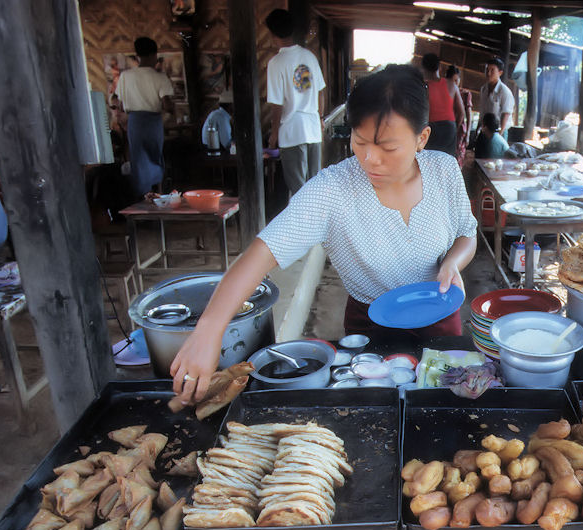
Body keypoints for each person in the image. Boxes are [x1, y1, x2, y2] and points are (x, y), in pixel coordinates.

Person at [169, 65, 477, 403]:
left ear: (422, 138)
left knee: (443, 407)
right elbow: (260, 255)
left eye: (388, 148)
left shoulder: (444, 171)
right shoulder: (334, 189)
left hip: (439, 317)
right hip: (371, 329)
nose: (370, 160)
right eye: (359, 142)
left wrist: (452, 263)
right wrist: (209, 330)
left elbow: (467, 234)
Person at [265, 9, 326, 196]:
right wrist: (320, 117)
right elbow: (320, 92)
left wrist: (274, 132)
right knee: (314, 185)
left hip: (292, 131)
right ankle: (317, 223)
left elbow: (277, 103)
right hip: (313, 129)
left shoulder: (276, 62)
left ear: (273, 35)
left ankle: (306, 224)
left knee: (298, 189)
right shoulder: (309, 56)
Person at [115, 37, 174, 197]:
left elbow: (120, 105)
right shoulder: (159, 77)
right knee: (155, 157)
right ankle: (160, 195)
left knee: (139, 161)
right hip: (153, 121)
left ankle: (142, 197)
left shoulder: (125, 77)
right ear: (155, 55)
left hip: (134, 122)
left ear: (137, 55)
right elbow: (168, 105)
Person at [420, 53, 464, 157]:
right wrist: (454, 128)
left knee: (429, 161)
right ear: (439, 67)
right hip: (449, 127)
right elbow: (461, 113)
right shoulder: (451, 84)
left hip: (431, 129)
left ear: (423, 68)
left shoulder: (422, 87)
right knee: (447, 161)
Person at [479, 57, 515, 138]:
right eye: (487, 70)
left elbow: (506, 114)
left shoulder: (504, 91)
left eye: (492, 70)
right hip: (485, 130)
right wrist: (479, 128)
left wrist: (499, 136)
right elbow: (482, 111)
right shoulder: (483, 89)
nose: (488, 73)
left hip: (499, 131)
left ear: (500, 73)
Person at [445, 65, 472, 167]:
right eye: (452, 81)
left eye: (457, 80)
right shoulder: (444, 93)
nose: (455, 84)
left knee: (458, 158)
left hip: (459, 131)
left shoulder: (465, 94)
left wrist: (468, 133)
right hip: (447, 130)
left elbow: (468, 115)